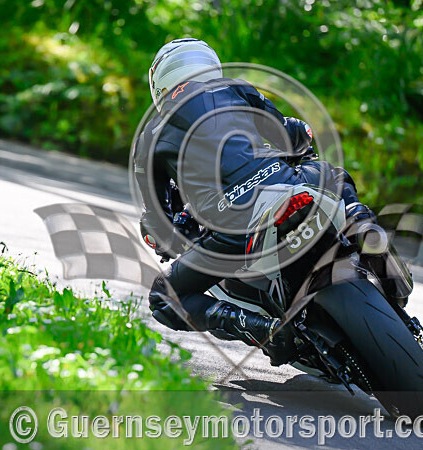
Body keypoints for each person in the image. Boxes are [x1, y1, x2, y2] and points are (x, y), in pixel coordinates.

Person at [133, 38, 374, 366]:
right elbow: (289, 133)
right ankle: (364, 227)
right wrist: (299, 141)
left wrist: (173, 237)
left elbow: (156, 218)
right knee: (333, 175)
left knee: (163, 297)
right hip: (285, 186)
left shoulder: (149, 137)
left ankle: (261, 328)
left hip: (232, 227)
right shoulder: (234, 88)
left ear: (160, 83)